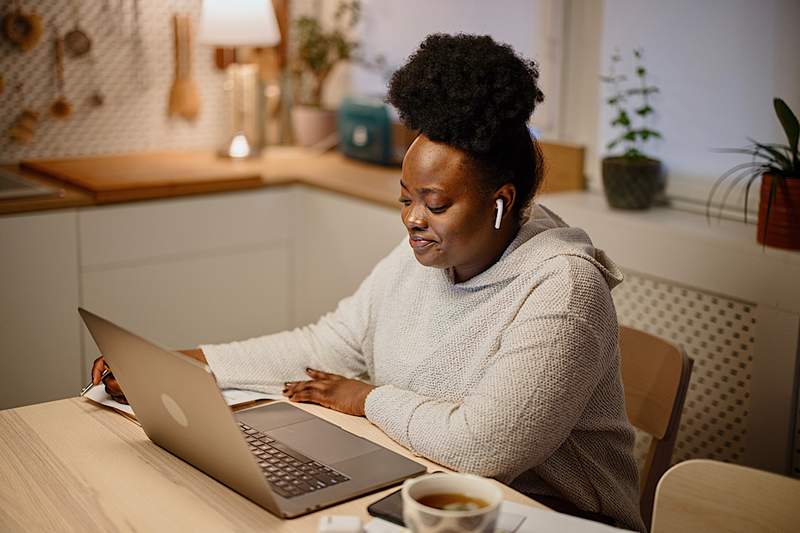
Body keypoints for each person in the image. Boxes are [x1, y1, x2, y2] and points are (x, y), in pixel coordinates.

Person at [92, 33, 645, 531]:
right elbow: (327, 346)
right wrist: (188, 363)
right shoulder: (424, 255)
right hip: (439, 497)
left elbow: (484, 448)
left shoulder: (564, 291)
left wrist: (366, 399)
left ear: (501, 202)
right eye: (406, 198)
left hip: (553, 517)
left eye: (436, 203)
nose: (412, 219)